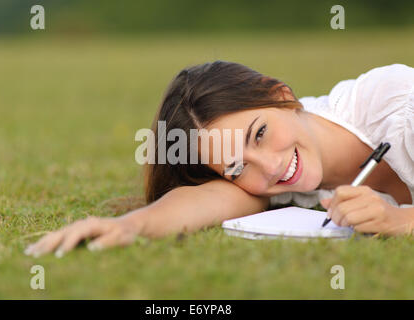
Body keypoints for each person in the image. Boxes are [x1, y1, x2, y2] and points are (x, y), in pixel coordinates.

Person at [25, 61, 414, 258]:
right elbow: (202, 200)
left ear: (280, 95)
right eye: (235, 167)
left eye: (258, 134)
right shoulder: (265, 183)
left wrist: (398, 221)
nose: (269, 166)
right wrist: (129, 226)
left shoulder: (394, 102)